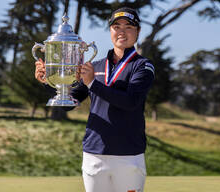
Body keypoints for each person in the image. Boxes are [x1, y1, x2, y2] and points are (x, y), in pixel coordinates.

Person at [35, 7, 154, 192]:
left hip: (128, 155)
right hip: (94, 154)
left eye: (128, 27)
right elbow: (69, 104)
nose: (122, 31)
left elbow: (131, 101)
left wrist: (92, 84)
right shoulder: (95, 66)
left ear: (137, 32)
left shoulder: (143, 66)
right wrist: (48, 82)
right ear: (110, 31)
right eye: (116, 26)